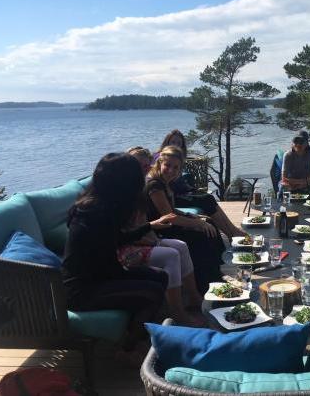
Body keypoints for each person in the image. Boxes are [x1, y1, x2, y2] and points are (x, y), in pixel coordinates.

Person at [62, 153, 175, 362]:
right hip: (82, 289)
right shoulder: (95, 213)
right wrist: (127, 273)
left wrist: (149, 226)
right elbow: (101, 261)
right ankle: (127, 349)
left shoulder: (102, 206)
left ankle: (139, 336)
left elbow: (115, 240)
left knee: (160, 276)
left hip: (101, 276)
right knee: (151, 291)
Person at [118, 147, 204, 327]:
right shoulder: (124, 191)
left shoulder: (138, 187)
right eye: (137, 164)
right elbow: (122, 233)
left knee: (180, 245)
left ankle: (194, 297)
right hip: (123, 249)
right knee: (171, 254)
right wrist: (150, 238)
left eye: (145, 165)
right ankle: (178, 313)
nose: (142, 169)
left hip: (143, 238)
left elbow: (142, 224)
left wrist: (152, 238)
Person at [145, 146, 226, 293]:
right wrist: (197, 224)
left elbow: (171, 210)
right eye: (167, 165)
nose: (171, 170)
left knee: (209, 222)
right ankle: (204, 284)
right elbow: (169, 217)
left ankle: (215, 272)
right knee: (200, 235)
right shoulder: (155, 185)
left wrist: (192, 216)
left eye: (176, 167)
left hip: (169, 225)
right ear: (159, 163)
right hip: (160, 230)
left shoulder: (165, 183)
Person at [156, 132, 245, 239]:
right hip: (174, 195)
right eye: (173, 142)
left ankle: (232, 230)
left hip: (180, 191)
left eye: (179, 143)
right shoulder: (159, 157)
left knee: (208, 198)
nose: (175, 145)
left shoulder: (177, 159)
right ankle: (232, 233)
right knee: (207, 200)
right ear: (167, 141)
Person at [279, 130, 310, 199]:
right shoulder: (287, 155)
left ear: (307, 143)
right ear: (292, 143)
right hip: (291, 185)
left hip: (307, 185)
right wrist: (299, 183)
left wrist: (301, 183)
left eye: (301, 142)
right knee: (282, 188)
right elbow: (284, 178)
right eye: (296, 141)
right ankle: (281, 208)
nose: (298, 144)